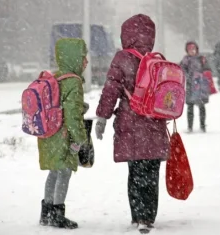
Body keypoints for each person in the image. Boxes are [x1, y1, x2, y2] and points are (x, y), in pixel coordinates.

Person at [94, 14, 169, 233]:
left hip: (130, 126)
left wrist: (102, 117)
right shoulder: (158, 60)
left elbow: (111, 90)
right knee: (151, 173)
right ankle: (148, 218)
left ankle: (137, 216)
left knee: (135, 172)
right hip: (154, 124)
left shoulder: (122, 58)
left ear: (126, 34)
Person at [38, 38, 89, 229]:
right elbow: (73, 116)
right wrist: (81, 139)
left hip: (49, 133)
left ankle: (46, 212)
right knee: (65, 172)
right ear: (74, 58)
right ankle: (58, 214)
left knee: (54, 171)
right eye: (84, 57)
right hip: (64, 135)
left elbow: (59, 104)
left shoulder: (55, 77)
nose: (86, 62)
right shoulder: (74, 82)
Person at [180, 41, 213, 132]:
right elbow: (181, 70)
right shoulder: (185, 60)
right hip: (191, 86)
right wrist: (189, 76)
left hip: (200, 86)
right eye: (190, 49)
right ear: (187, 50)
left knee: (201, 106)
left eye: (193, 49)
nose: (192, 51)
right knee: (190, 107)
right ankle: (190, 127)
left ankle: (203, 126)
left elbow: (208, 69)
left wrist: (202, 75)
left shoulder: (201, 59)